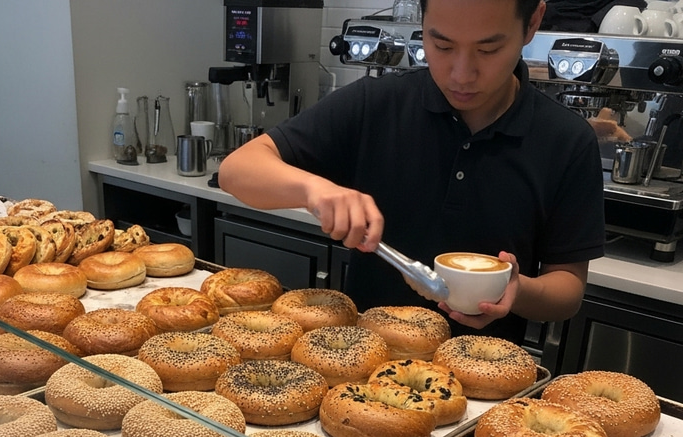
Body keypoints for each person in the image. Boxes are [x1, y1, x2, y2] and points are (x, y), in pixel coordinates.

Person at [218, 0, 605, 344]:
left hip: (486, 385)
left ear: (533, 22)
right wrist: (314, 190)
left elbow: (568, 290)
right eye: (441, 46)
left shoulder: (567, 141)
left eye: (489, 48)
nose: (461, 74)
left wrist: (517, 291)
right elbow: (236, 170)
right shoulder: (375, 104)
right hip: (359, 367)